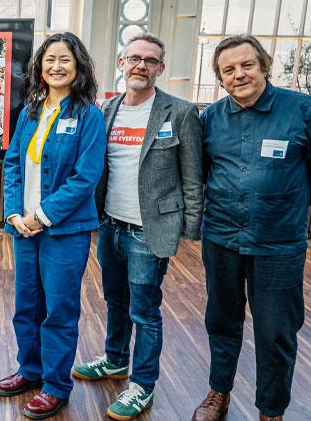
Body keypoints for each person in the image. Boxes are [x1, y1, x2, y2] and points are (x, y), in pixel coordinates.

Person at [70, 33, 203, 420]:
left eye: (150, 60)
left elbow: (193, 177)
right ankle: (114, 360)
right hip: (110, 225)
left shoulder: (179, 112)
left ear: (161, 68)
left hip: (149, 230)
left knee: (145, 311)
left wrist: (190, 230)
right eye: (134, 58)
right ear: (121, 63)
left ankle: (142, 385)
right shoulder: (106, 110)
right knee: (115, 300)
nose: (141, 65)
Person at [191, 35, 310, 421]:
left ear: (264, 66)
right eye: (229, 70)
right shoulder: (210, 118)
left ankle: (271, 409)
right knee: (221, 321)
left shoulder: (301, 110)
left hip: (278, 244)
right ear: (220, 79)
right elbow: (201, 175)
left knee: (276, 331)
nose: (239, 74)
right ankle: (218, 392)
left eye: (247, 65)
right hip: (222, 238)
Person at [0, 32, 106, 419]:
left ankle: (56, 385)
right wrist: (13, 214)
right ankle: (30, 371)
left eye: (64, 60)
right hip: (23, 230)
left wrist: (41, 216)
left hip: (63, 231)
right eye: (49, 60)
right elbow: (12, 164)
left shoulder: (89, 115)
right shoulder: (29, 112)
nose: (56, 66)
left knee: (58, 309)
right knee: (26, 305)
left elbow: (85, 177)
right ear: (39, 68)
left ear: (78, 67)